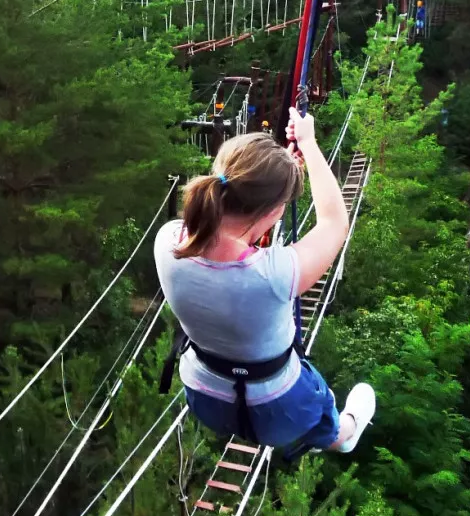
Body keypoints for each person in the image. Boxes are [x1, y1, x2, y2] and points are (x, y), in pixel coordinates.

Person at [154, 108, 376, 455]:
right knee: (330, 425)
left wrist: (277, 177)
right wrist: (309, 143)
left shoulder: (168, 242)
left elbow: (225, 245)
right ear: (274, 211)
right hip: (280, 409)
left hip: (204, 395)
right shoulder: (275, 275)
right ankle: (344, 433)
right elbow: (334, 223)